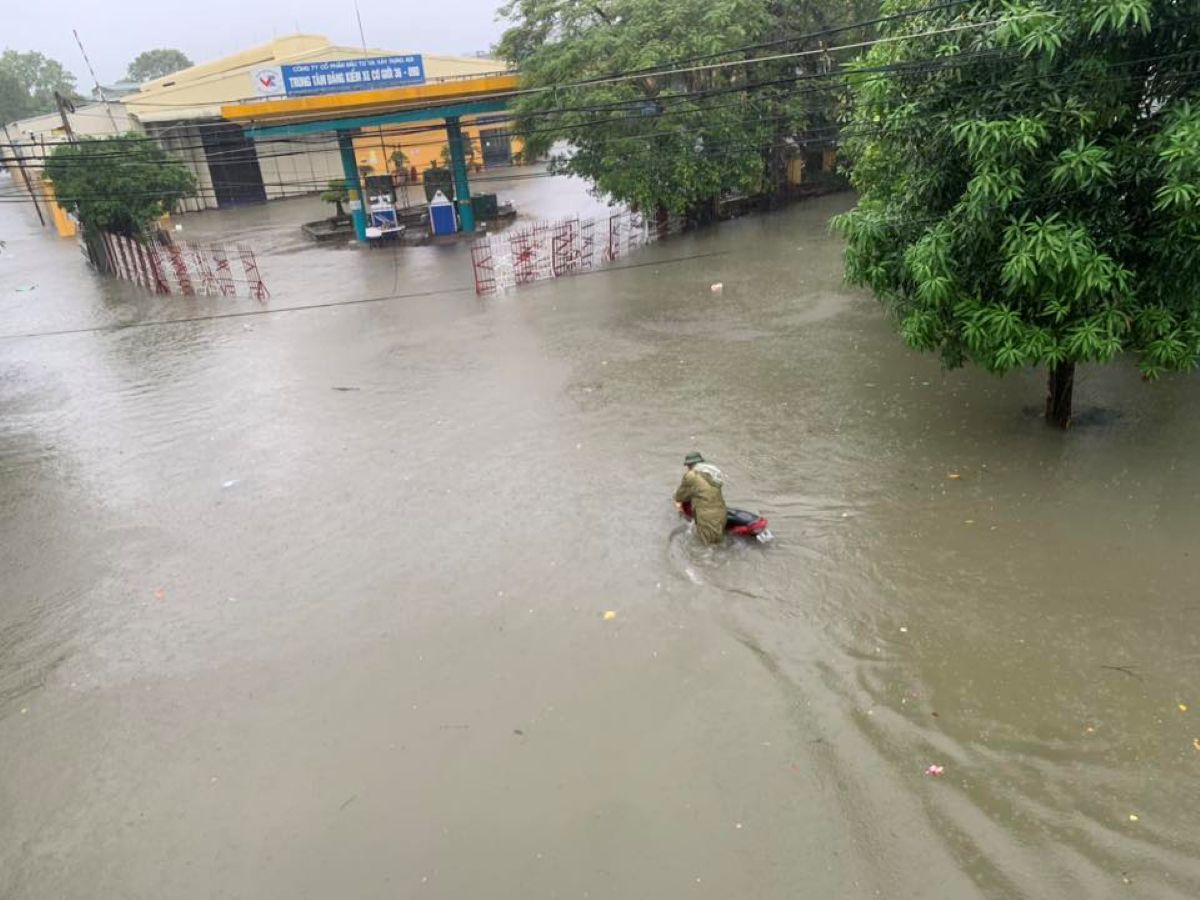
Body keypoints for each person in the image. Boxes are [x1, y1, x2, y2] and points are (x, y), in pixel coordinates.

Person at [673, 452, 727, 545]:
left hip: (706, 517)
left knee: (707, 548)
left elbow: (680, 496)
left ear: (689, 465)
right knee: (718, 543)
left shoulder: (691, 475)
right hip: (722, 513)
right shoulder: (712, 473)